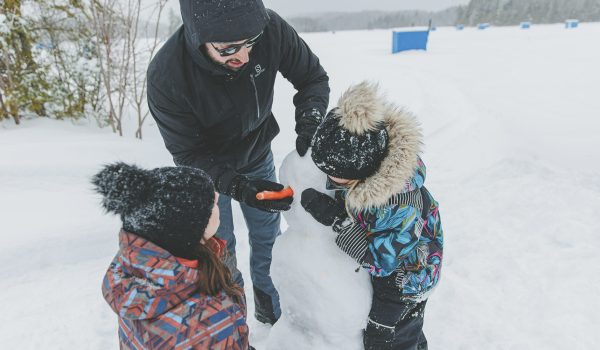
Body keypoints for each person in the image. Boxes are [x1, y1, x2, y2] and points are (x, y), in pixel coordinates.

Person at [147, 0, 330, 325]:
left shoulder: (271, 30)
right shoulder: (167, 74)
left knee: (266, 236)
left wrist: (310, 122)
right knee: (220, 249)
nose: (244, 56)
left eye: (251, 43)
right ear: (198, 37)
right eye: (230, 48)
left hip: (257, 154)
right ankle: (233, 325)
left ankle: (269, 308)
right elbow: (188, 153)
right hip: (206, 175)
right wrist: (237, 187)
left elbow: (312, 78)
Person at [300, 82, 444, 350]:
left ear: (362, 170)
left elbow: (383, 262)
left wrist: (338, 220)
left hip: (405, 282)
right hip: (394, 258)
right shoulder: (368, 162)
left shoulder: (398, 205)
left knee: (392, 338)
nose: (328, 177)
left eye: (334, 174)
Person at [94, 163, 251, 349]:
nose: (217, 199)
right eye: (212, 203)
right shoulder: (207, 320)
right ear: (190, 228)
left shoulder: (134, 271)